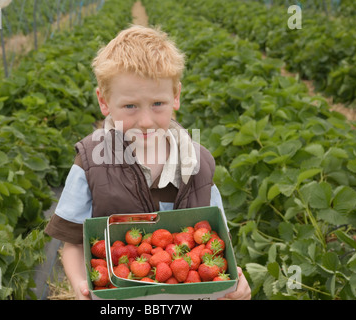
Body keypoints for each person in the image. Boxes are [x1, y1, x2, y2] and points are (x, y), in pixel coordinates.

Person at [45, 25, 251, 300]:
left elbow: (218, 245)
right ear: (104, 102)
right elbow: (72, 242)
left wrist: (235, 286)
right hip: (119, 295)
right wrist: (81, 285)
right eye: (130, 106)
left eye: (157, 103)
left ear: (176, 95)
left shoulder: (199, 164)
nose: (145, 121)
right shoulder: (90, 163)